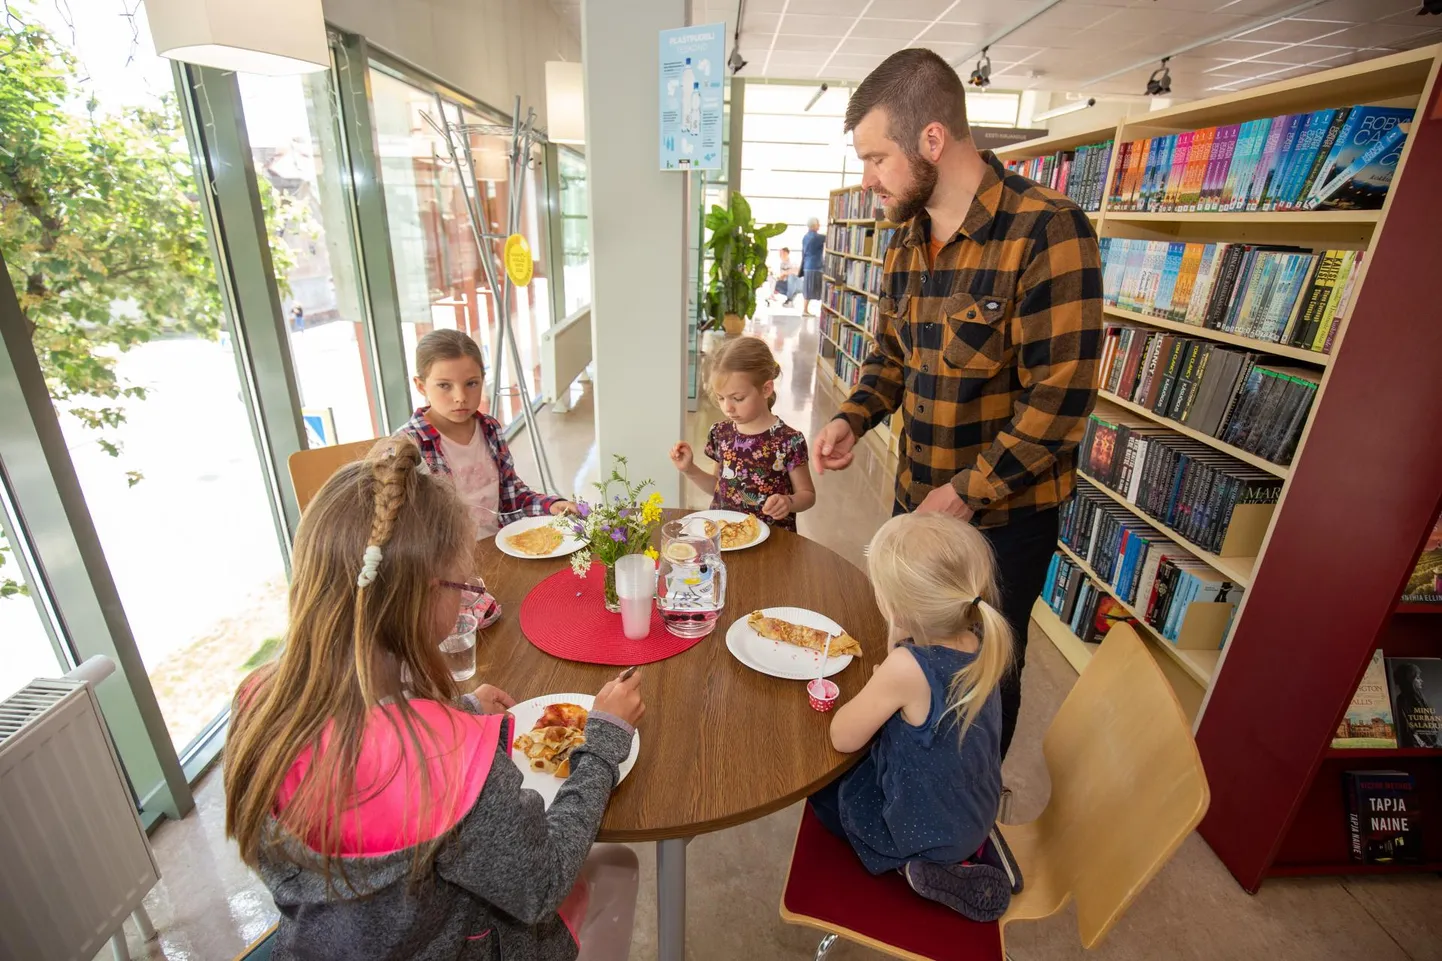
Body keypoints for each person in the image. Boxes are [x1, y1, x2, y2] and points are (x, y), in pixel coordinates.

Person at [224, 441, 646, 960]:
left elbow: (367, 746)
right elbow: (540, 883)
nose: (468, 592)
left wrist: (458, 714)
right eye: (461, 583)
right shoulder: (446, 760)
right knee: (618, 866)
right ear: (424, 595)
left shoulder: (256, 703)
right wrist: (602, 741)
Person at [809, 48, 1102, 760]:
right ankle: (912, 788)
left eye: (878, 158)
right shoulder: (906, 243)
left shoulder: (1049, 232)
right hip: (918, 504)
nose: (867, 178)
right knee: (907, 650)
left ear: (932, 140)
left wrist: (967, 493)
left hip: (1001, 523)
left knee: (983, 677)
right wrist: (853, 416)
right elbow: (890, 357)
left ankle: (966, 827)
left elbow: (1059, 401)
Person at [809, 512, 1012, 920]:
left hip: (926, 831)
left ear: (894, 608)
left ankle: (914, 867)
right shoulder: (979, 642)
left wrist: (891, 659)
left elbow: (842, 736)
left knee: (825, 795)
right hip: (975, 813)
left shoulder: (907, 666)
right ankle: (963, 855)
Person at [398, 329, 574, 539]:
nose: (460, 397)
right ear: (421, 386)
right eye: (444, 385)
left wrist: (550, 505)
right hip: (444, 563)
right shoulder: (407, 446)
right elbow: (402, 530)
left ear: (483, 379)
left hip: (500, 546)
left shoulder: (490, 429)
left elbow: (511, 496)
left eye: (471, 383)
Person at [669, 335, 815, 532]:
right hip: (726, 536)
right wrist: (689, 469)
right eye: (721, 398)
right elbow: (718, 487)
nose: (727, 407)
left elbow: (807, 494)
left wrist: (788, 502)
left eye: (738, 398)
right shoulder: (720, 433)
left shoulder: (789, 440)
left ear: (766, 389)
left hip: (773, 541)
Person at [800, 217, 825, 315]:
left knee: (808, 288)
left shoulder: (805, 237)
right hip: (815, 266)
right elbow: (828, 237)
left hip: (807, 265)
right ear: (814, 226)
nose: (819, 226)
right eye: (818, 224)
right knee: (818, 287)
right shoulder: (817, 237)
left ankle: (805, 309)